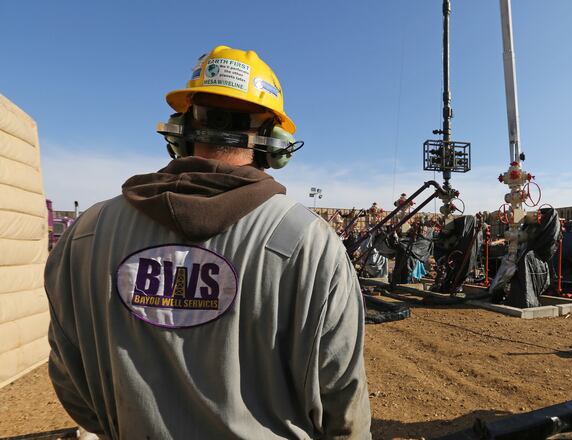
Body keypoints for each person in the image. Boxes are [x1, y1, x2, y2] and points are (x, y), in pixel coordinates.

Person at [45, 45, 371, 439]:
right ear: (275, 141)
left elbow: (70, 378)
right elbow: (342, 399)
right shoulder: (309, 243)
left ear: (178, 129)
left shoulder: (87, 234)